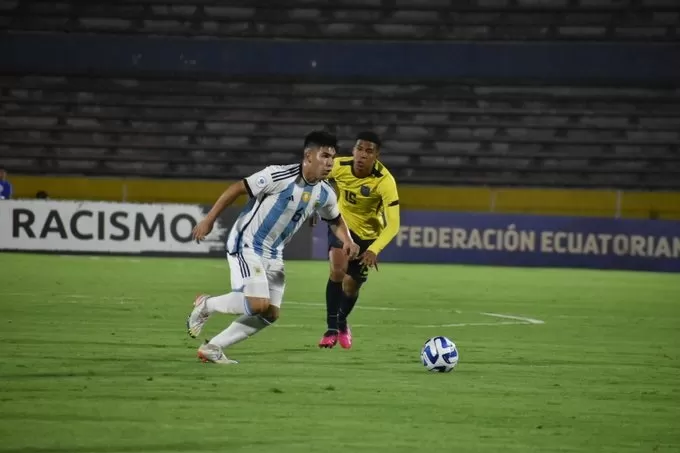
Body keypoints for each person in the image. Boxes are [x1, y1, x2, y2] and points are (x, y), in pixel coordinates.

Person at [187, 131, 360, 364]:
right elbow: (238, 188)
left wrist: (347, 240)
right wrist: (209, 220)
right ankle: (207, 304)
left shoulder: (325, 192)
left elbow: (335, 219)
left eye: (332, 157)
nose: (330, 162)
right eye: (325, 156)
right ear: (308, 156)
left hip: (274, 252)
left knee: (270, 314)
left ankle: (213, 347)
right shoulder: (278, 175)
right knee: (257, 304)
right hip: (247, 243)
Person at [317, 131, 400, 349]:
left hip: (369, 237)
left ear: (376, 156)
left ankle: (342, 320)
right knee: (337, 271)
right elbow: (313, 178)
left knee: (351, 287)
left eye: (369, 151)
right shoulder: (338, 165)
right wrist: (310, 206)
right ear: (353, 150)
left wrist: (374, 249)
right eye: (359, 149)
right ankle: (331, 328)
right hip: (342, 227)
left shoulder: (385, 181)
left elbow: (393, 224)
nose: (362, 155)